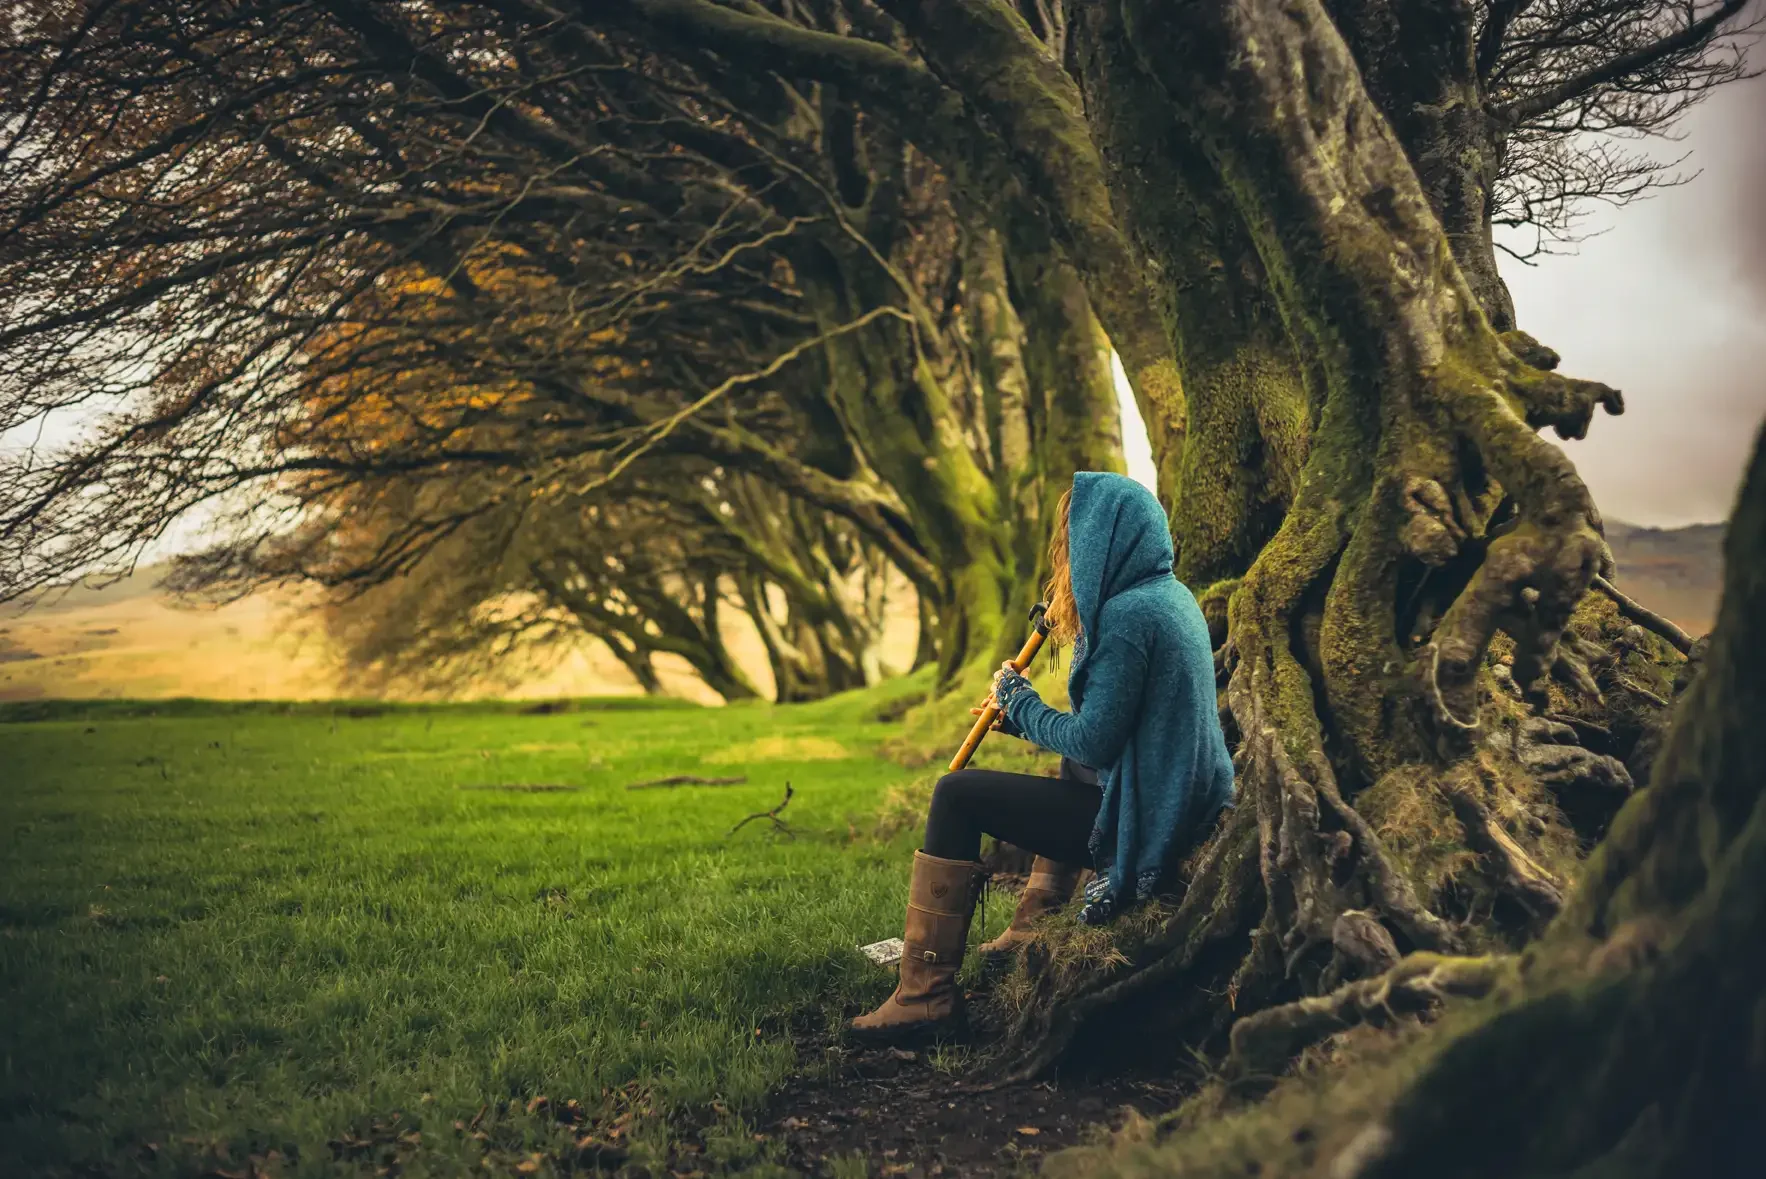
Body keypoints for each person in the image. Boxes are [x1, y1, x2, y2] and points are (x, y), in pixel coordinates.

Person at [849, 471, 1235, 1044]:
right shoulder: (1168, 596)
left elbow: (1091, 742)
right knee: (1067, 768)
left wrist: (1018, 700)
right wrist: (1019, 722)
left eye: (1076, 541)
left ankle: (923, 996)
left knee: (956, 796)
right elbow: (1108, 735)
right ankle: (1033, 922)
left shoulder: (1130, 617)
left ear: (1105, 539)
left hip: (1149, 819)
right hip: (1177, 794)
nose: (1069, 556)